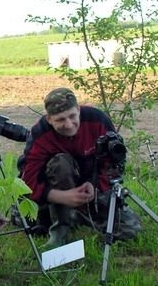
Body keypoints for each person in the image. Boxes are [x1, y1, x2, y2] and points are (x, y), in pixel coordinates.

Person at [17, 87, 142, 245]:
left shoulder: (97, 120)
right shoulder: (40, 134)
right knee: (60, 162)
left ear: (78, 109)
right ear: (49, 119)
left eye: (72, 116)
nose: (69, 124)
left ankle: (77, 216)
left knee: (130, 230)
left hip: (92, 189)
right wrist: (62, 197)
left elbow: (113, 164)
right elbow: (27, 182)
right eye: (60, 120)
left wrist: (93, 184)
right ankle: (60, 229)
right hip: (54, 193)